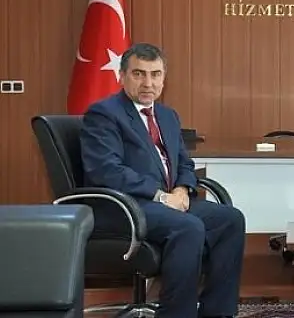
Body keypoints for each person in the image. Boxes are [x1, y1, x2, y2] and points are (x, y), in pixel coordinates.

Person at [80, 43, 246, 318]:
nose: (148, 83)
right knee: (188, 226)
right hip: (125, 207)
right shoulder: (104, 114)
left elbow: (184, 163)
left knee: (231, 219)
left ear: (164, 78)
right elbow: (107, 171)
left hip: (166, 202)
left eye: (155, 74)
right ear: (122, 76)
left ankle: (218, 312)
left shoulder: (167, 116)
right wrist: (161, 196)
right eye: (139, 74)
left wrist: (182, 189)